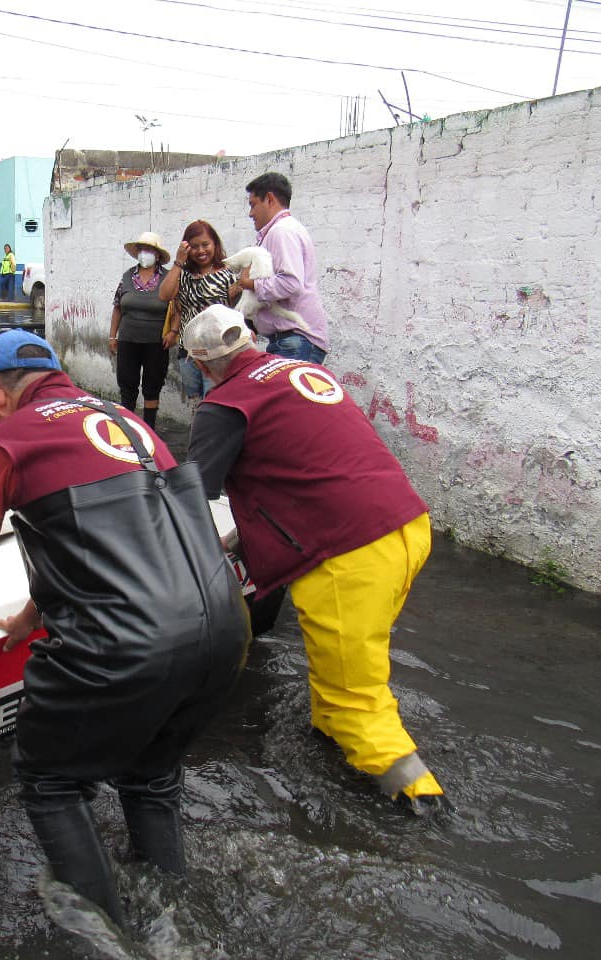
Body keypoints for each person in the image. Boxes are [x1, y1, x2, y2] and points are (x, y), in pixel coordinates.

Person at [0, 329, 248, 926]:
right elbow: (110, 542)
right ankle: (168, 912)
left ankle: (108, 935)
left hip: (129, 643)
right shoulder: (130, 423)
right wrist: (29, 618)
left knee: (48, 779)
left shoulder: (4, 446)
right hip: (223, 626)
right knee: (150, 776)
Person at [183, 304, 448, 815]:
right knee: (345, 661)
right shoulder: (302, 371)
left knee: (357, 694)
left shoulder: (224, 405)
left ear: (200, 362)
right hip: (403, 526)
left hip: (347, 554)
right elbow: (306, 466)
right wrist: (243, 537)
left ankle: (420, 805)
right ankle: (327, 736)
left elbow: (190, 496)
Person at [229, 171, 330, 363]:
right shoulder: (281, 230)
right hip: (291, 340)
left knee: (284, 394)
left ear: (269, 199)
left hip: (295, 340)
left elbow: (290, 283)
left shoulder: (281, 231)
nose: (250, 213)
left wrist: (249, 283)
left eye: (253, 205)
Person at [158, 220, 239, 412]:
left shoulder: (228, 274)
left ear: (215, 244)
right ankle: (198, 438)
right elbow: (164, 295)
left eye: (205, 244)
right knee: (195, 404)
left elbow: (238, 312)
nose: (201, 251)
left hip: (218, 351)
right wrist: (178, 262)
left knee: (213, 403)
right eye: (194, 247)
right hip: (189, 352)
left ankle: (211, 440)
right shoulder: (183, 275)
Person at [109, 230, 171, 432]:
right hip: (128, 340)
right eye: (142, 249)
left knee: (152, 388)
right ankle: (128, 432)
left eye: (150, 250)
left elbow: (176, 307)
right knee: (127, 386)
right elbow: (118, 307)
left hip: (156, 342)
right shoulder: (127, 276)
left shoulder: (168, 278)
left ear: (158, 254)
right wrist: (112, 335)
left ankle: (149, 430)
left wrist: (174, 331)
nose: (145, 253)